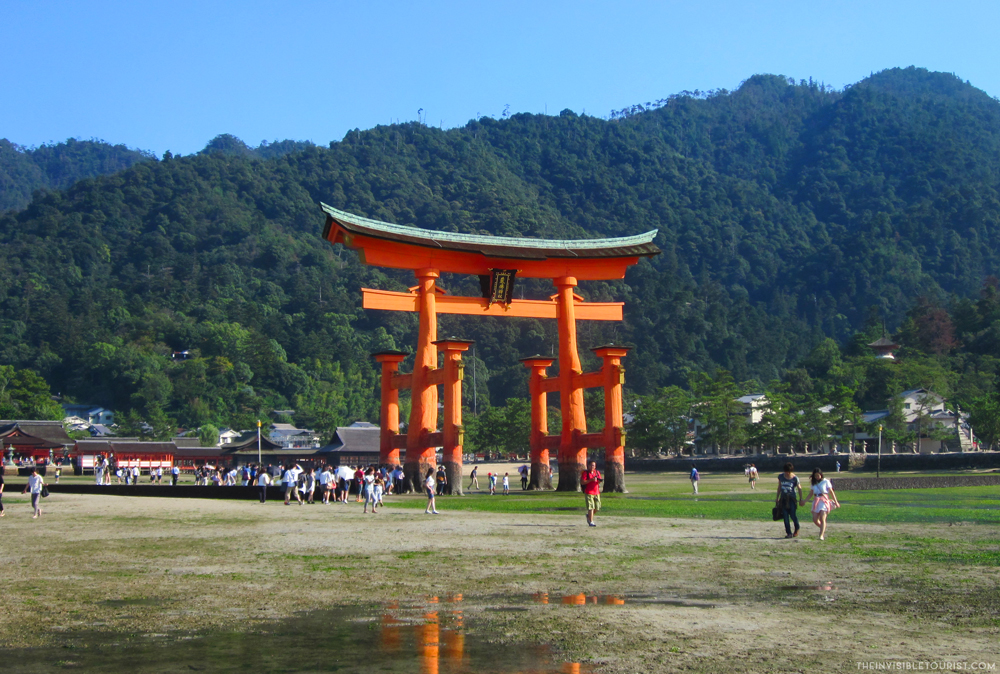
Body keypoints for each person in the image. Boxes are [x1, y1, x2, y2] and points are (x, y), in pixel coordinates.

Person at [808, 468, 840, 540]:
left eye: (818, 475)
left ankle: (821, 535)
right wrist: (804, 501)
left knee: (823, 518)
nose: (817, 477)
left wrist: (836, 501)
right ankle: (823, 528)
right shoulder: (814, 483)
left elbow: (831, 492)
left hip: (823, 500)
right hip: (816, 500)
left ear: (821, 475)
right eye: (815, 476)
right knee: (815, 519)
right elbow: (811, 493)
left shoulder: (826, 481)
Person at [775, 462, 803, 539]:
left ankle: (797, 528)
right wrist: (777, 497)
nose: (787, 473)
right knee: (785, 516)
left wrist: (801, 499)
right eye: (786, 472)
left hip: (791, 499)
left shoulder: (795, 478)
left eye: (788, 472)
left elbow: (799, 489)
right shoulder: (781, 476)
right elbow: (779, 487)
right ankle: (789, 533)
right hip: (783, 499)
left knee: (793, 515)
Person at [581, 461, 602, 527]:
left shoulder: (597, 472)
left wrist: (599, 481)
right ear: (588, 466)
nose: (592, 467)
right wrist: (591, 480)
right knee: (591, 507)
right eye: (591, 465)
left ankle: (589, 515)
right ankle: (591, 521)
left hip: (596, 492)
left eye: (594, 465)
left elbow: (599, 481)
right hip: (589, 492)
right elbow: (582, 482)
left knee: (597, 507)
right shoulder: (585, 473)